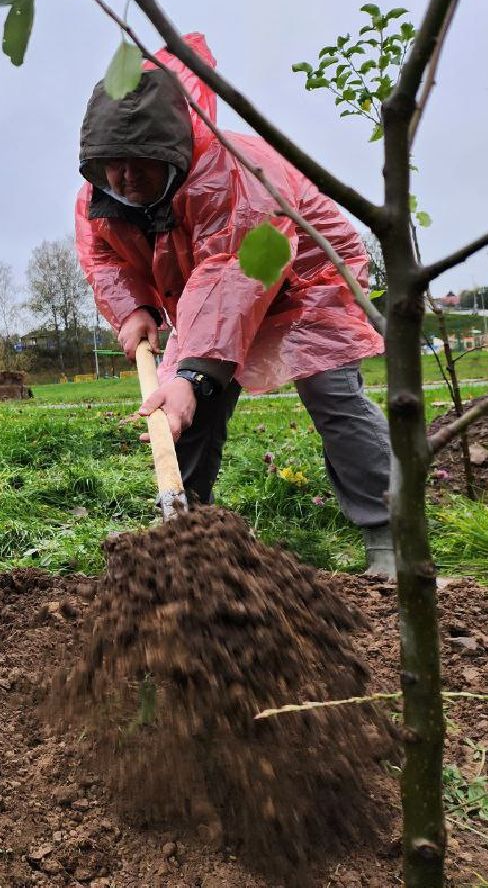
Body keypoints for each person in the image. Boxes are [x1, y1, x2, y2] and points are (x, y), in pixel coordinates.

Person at [74, 34, 394, 577]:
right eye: (112, 164)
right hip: (211, 297)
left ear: (172, 151)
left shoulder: (231, 171)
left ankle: (390, 537)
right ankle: (186, 538)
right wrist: (134, 308)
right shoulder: (101, 198)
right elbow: (104, 256)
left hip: (305, 279)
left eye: (140, 163)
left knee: (331, 395)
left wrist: (194, 373)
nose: (125, 177)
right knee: (182, 407)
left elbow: (233, 274)